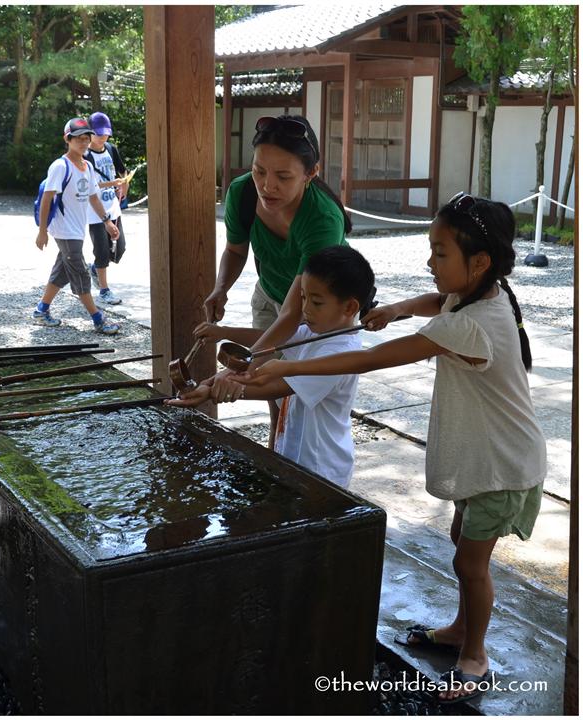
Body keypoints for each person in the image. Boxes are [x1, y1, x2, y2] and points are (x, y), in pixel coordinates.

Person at [247, 194, 546, 704]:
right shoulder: (479, 296)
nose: (429, 263)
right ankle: (458, 628)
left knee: (472, 564)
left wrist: (285, 366)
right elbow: (437, 302)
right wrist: (400, 307)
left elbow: (375, 360)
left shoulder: (468, 324)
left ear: (479, 262)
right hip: (487, 456)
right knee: (461, 543)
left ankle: (474, 656)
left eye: (440, 253)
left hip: (505, 463)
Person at [167, 246, 375, 489]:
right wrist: (223, 335)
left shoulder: (340, 353)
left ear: (350, 308)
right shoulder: (316, 333)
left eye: (316, 302)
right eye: (303, 298)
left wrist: (218, 391)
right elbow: (270, 338)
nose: (305, 309)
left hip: (322, 468)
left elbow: (275, 387)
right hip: (295, 457)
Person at [204, 115, 351, 448]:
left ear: (311, 173)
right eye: (259, 171)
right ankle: (278, 450)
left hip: (319, 307)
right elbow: (234, 251)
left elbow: (293, 313)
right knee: (271, 394)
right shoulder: (242, 193)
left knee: (308, 396)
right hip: (270, 293)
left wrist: (238, 368)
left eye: (283, 176)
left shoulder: (322, 218)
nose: (267, 186)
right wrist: (219, 288)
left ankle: (317, 466)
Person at [33, 116, 121, 335]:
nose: (83, 142)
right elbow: (46, 199)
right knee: (81, 273)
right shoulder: (60, 166)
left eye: (86, 138)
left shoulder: (87, 166)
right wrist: (42, 231)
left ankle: (41, 311)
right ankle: (98, 319)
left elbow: (93, 197)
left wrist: (107, 221)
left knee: (61, 273)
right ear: (67, 140)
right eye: (77, 139)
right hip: (64, 230)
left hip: (77, 230)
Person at [84, 111, 129, 306]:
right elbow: (88, 186)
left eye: (106, 133)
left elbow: (122, 170)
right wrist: (112, 182)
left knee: (120, 249)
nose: (103, 137)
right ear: (89, 133)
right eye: (98, 133)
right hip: (95, 211)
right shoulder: (85, 155)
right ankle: (104, 290)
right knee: (102, 251)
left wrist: (124, 183)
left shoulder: (111, 149)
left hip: (113, 207)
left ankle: (95, 269)